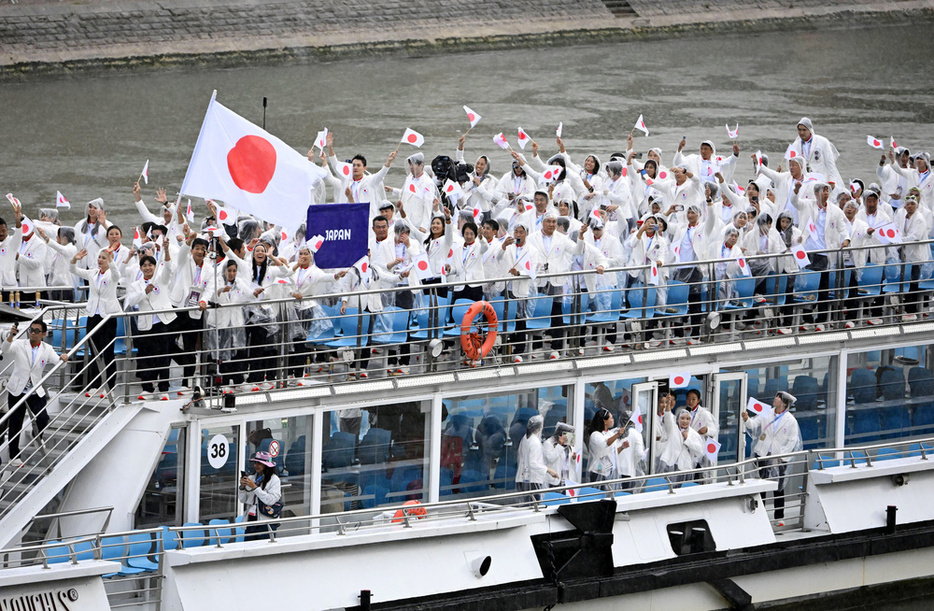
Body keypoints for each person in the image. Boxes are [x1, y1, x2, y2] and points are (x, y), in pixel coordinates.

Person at [0, 321, 67, 467]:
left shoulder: (47, 348)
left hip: (35, 390)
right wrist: (11, 336)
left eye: (37, 331)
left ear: (43, 334)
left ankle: (36, 435)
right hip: (17, 390)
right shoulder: (19, 344)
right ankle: (14, 456)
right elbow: (4, 350)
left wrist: (64, 359)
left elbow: (59, 363)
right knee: (15, 423)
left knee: (43, 417)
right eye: (31, 330)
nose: (33, 333)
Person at [123, 244, 176, 400]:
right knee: (146, 357)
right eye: (144, 265)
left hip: (162, 322)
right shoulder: (135, 285)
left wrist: (166, 250)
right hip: (146, 324)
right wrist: (144, 292)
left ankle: (163, 388)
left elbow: (168, 268)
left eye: (150, 265)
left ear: (154, 266)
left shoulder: (161, 279)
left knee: (163, 356)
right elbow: (131, 302)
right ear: (140, 268)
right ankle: (147, 388)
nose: (147, 268)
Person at [742, 391, 802, 521]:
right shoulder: (766, 412)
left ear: (784, 403)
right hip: (763, 453)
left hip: (779, 457)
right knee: (761, 485)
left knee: (779, 488)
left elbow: (793, 440)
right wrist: (746, 419)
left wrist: (782, 454)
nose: (775, 399)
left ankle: (779, 517)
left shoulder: (790, 420)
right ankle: (760, 516)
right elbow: (753, 424)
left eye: (778, 398)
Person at [69, 247, 121, 397]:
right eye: (99, 257)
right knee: (94, 351)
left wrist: (111, 261)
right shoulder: (93, 273)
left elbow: (117, 275)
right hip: (93, 314)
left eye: (103, 258)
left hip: (108, 316)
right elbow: (73, 270)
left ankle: (110, 385)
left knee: (108, 351)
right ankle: (96, 384)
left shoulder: (112, 274)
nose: (100, 260)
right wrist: (75, 259)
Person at [238, 451, 282, 541]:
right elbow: (242, 499)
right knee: (249, 547)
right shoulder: (252, 477)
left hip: (266, 520)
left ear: (266, 465)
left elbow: (270, 500)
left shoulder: (274, 480)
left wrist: (254, 487)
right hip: (251, 519)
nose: (256, 465)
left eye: (259, 463)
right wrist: (242, 487)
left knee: (264, 547)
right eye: (255, 463)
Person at [515, 415, 556, 501]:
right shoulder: (534, 442)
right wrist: (549, 470)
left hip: (524, 477)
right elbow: (533, 463)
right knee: (533, 505)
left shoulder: (525, 438)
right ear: (540, 427)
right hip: (532, 479)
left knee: (525, 505)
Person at [584, 408, 625, 488]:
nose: (613, 420)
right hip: (598, 471)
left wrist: (622, 447)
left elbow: (613, 453)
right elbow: (605, 444)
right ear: (605, 421)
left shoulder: (609, 433)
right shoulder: (595, 435)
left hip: (609, 471)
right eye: (611, 418)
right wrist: (617, 435)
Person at [542, 422, 575, 487]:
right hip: (554, 480)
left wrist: (573, 458)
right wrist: (559, 445)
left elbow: (567, 462)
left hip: (566, 480)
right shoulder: (548, 443)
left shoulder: (568, 446)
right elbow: (551, 458)